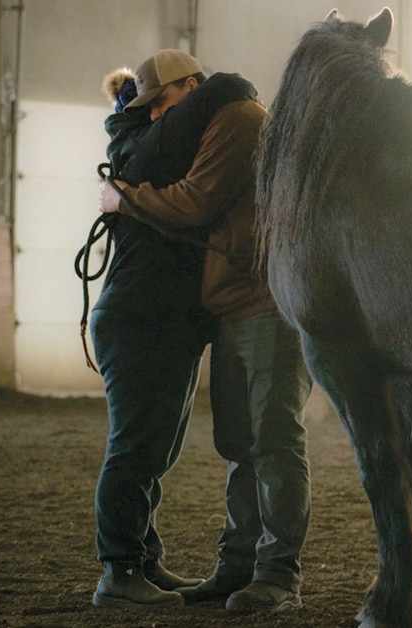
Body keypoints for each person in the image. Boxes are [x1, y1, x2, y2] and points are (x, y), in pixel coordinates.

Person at [99, 49, 313, 612]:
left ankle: (278, 574)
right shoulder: (211, 122)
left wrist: (124, 196)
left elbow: (196, 202)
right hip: (232, 304)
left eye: (162, 102)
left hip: (264, 302)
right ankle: (238, 566)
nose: (155, 118)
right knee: (242, 445)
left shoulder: (239, 119)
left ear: (190, 85)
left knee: (272, 441)